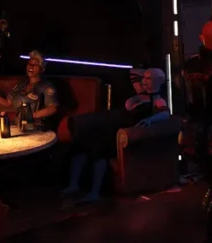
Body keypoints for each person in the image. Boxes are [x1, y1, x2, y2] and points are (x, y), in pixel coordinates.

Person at [61, 67, 169, 202]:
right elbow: (133, 72)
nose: (144, 81)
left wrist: (150, 119)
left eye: (148, 78)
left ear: (159, 81)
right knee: (81, 142)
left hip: (119, 130)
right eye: (144, 78)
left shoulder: (158, 100)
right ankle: (74, 185)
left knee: (99, 148)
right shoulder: (140, 95)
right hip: (113, 121)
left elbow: (165, 113)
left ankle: (94, 193)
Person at [0, 51, 59, 129]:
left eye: (35, 64)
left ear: (42, 69)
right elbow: (8, 103)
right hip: (17, 124)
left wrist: (32, 116)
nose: (31, 66)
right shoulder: (21, 84)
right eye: (29, 63)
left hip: (36, 126)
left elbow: (52, 108)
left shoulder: (46, 86)